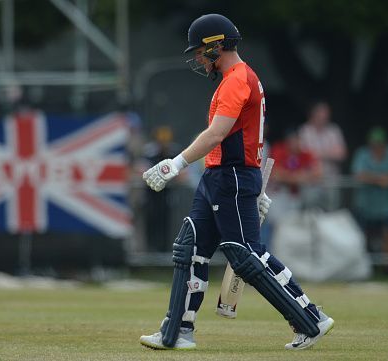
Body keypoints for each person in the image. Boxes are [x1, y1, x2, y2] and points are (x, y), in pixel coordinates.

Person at [139, 14, 334, 351]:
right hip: (220, 175)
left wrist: (176, 162)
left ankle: (310, 319)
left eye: (201, 51)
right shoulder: (234, 78)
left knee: (245, 254)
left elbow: (217, 133)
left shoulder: (236, 80)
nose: (198, 58)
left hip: (230, 175)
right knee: (191, 247)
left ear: (217, 45)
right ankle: (177, 332)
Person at [351, 127, 388, 257]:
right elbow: (358, 175)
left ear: (385, 143)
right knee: (362, 235)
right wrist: (381, 179)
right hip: (365, 205)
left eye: (380, 144)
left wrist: (382, 179)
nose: (377, 147)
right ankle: (364, 265)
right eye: (374, 144)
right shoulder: (362, 154)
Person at [267, 127, 322, 239]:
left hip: (296, 196)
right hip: (278, 196)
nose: (294, 143)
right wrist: (299, 176)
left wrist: (290, 176)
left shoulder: (304, 153)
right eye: (291, 140)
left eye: (296, 140)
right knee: (277, 226)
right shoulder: (279, 150)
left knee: (293, 228)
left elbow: (318, 172)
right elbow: (275, 174)